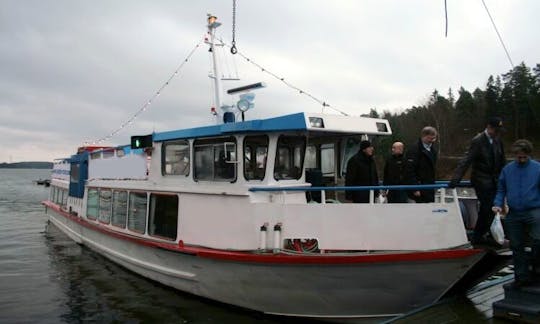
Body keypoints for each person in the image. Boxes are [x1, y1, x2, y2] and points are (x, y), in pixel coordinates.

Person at [449, 117, 506, 244]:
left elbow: (502, 160)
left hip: (494, 180)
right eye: (496, 130)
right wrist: (456, 178)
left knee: (493, 208)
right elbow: (467, 160)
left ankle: (485, 235)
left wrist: (506, 177)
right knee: (487, 207)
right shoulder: (478, 141)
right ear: (489, 127)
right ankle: (478, 236)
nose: (497, 133)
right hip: (482, 179)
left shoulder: (497, 140)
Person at [492, 139, 540, 288]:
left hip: (534, 210)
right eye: (518, 157)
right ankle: (521, 277)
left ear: (528, 155)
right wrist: (498, 204)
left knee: (538, 241)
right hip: (513, 212)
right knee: (516, 245)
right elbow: (501, 188)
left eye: (524, 157)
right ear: (514, 155)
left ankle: (536, 271)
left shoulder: (537, 168)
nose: (521, 159)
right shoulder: (507, 169)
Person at [406, 126, 438, 203]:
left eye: (434, 138)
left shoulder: (433, 150)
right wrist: (415, 188)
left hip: (429, 186)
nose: (433, 141)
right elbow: (409, 170)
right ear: (424, 136)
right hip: (419, 187)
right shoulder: (414, 150)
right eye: (431, 138)